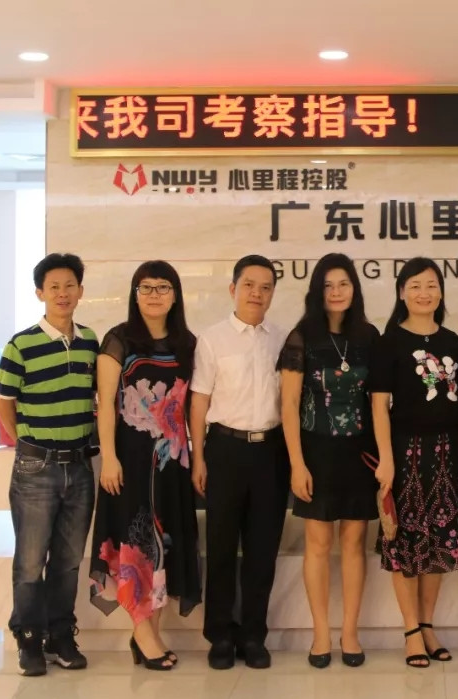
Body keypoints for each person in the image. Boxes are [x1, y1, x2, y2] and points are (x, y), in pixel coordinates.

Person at [89, 260, 201, 671]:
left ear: (175, 295)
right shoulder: (118, 340)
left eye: (163, 287)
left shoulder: (187, 343)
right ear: (135, 295)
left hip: (172, 461)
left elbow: (193, 405)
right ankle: (142, 632)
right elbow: (105, 405)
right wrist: (109, 458)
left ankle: (149, 633)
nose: (155, 295)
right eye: (146, 287)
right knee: (136, 543)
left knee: (163, 545)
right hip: (131, 459)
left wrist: (197, 456)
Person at [369, 257, 458, 669]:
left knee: (441, 541)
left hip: (447, 451)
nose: (424, 293)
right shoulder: (388, 342)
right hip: (405, 454)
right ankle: (411, 630)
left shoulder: (453, 341)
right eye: (415, 285)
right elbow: (379, 406)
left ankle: (428, 625)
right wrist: (386, 460)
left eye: (431, 285)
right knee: (405, 543)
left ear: (441, 292)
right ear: (401, 293)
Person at [0, 253, 99, 677]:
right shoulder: (20, 344)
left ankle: (60, 636)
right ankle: (28, 638)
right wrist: (27, 443)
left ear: (80, 291)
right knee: (30, 561)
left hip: (80, 468)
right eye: (54, 286)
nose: (62, 293)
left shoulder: (90, 341)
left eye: (70, 285)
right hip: (36, 470)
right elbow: (5, 402)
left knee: (68, 562)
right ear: (40, 293)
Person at [279, 253, 380, 669]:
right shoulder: (302, 337)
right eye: (328, 285)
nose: (336, 292)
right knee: (318, 545)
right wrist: (296, 464)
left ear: (354, 288)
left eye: (344, 284)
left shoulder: (369, 336)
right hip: (315, 453)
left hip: (360, 453)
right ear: (317, 292)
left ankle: (350, 632)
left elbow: (378, 401)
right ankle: (321, 633)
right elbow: (288, 405)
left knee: (354, 544)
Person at [190, 255, 289, 670]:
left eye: (266, 287)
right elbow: (199, 400)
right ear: (233, 289)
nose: (257, 294)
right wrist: (198, 457)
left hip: (271, 451)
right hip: (224, 450)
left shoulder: (283, 339)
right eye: (249, 285)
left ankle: (253, 635)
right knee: (221, 546)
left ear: (273, 293)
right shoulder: (212, 339)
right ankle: (220, 635)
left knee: (263, 550)